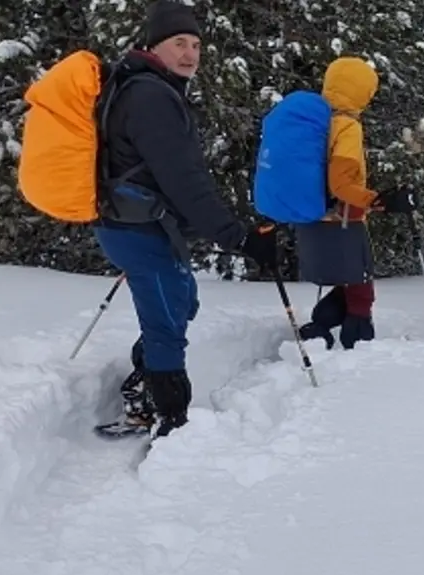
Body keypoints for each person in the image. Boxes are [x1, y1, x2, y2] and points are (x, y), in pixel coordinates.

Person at [95, 0, 281, 438]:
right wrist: (238, 238)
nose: (190, 54)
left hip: (140, 223)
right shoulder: (151, 96)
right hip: (137, 227)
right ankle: (171, 425)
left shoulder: (147, 88)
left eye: (196, 45)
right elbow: (184, 181)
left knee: (181, 303)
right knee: (165, 324)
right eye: (179, 43)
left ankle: (143, 394)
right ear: (154, 46)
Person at [292, 56, 414, 350]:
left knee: (347, 277)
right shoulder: (346, 126)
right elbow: (341, 184)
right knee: (360, 282)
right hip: (345, 217)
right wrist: (377, 200)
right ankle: (357, 340)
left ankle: (321, 324)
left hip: (311, 215)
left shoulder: (315, 123)